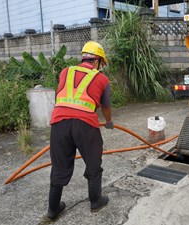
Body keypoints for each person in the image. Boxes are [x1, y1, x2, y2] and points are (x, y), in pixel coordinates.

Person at [46, 41, 113, 221]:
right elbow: (106, 106)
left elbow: (61, 94)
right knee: (93, 162)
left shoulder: (65, 72)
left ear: (84, 57)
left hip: (59, 123)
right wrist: (109, 122)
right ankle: (96, 201)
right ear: (97, 60)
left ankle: (53, 210)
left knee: (59, 166)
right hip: (86, 125)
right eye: (102, 64)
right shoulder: (102, 79)